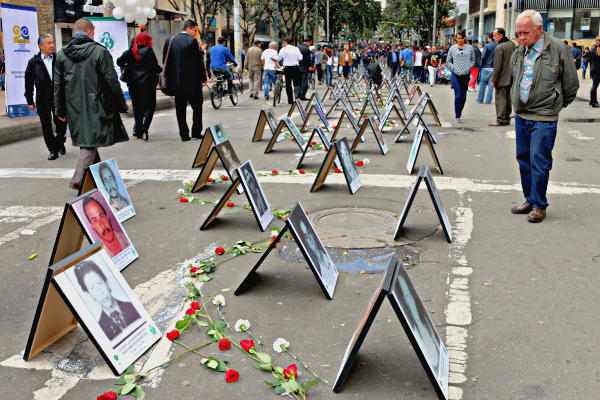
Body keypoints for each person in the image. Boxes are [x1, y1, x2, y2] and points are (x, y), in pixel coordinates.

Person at [509, 10, 578, 223]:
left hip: (545, 116)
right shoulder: (520, 51)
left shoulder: (558, 49)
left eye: (525, 32)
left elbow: (571, 84)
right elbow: (515, 77)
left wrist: (555, 104)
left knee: (539, 160)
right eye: (519, 33)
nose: (521, 37)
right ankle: (530, 199)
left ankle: (539, 204)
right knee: (523, 159)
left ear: (539, 29)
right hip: (522, 114)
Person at [54, 18, 128, 191]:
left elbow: (58, 86)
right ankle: (78, 178)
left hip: (74, 107)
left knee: (89, 141)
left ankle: (104, 183)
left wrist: (60, 110)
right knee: (89, 144)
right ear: (89, 32)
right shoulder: (100, 52)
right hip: (98, 105)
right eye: (93, 32)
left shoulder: (61, 54)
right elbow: (112, 81)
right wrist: (121, 105)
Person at [163, 20, 208, 141]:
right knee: (197, 107)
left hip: (175, 82)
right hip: (192, 82)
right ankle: (196, 132)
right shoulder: (192, 41)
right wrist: (204, 78)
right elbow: (197, 63)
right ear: (189, 28)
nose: (195, 33)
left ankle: (184, 134)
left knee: (180, 108)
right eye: (195, 30)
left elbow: (165, 60)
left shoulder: (169, 40)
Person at [74, 260, 140, 341]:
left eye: (99, 283)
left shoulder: (133, 307)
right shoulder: (100, 329)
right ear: (90, 295)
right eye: (92, 288)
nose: (100, 292)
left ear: (107, 283)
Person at [25, 34, 67, 161]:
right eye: (49, 43)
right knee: (46, 126)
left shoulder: (59, 59)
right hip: (42, 99)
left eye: (53, 42)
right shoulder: (33, 62)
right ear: (41, 46)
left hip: (58, 98)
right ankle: (53, 150)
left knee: (61, 123)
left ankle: (60, 142)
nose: (52, 45)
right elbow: (28, 82)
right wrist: (30, 100)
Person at [117, 32, 161, 141]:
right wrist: (160, 70)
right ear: (147, 41)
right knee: (150, 107)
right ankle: (144, 130)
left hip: (134, 85)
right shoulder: (149, 51)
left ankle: (138, 130)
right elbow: (155, 67)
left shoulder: (130, 51)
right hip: (148, 85)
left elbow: (119, 62)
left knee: (138, 109)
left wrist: (128, 67)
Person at [445, 31, 475, 123]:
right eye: (457, 38)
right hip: (455, 75)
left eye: (461, 38)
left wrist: (468, 67)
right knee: (458, 95)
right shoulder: (452, 48)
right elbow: (448, 61)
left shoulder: (470, 48)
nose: (459, 40)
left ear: (464, 38)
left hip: (465, 75)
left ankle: (460, 111)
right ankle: (457, 115)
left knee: (463, 97)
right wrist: (454, 68)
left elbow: (473, 60)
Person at [490, 27, 515, 126]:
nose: (493, 37)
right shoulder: (512, 45)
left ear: (501, 35)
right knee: (508, 99)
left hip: (502, 78)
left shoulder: (499, 47)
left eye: (495, 35)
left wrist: (494, 80)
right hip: (511, 77)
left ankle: (501, 119)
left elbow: (497, 66)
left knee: (500, 99)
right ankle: (506, 119)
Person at [277, 37, 303, 104]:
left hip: (287, 68)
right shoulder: (296, 49)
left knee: (288, 84)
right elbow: (301, 58)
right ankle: (297, 97)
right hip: (295, 68)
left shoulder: (283, 49)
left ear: (286, 42)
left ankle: (290, 100)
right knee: (297, 83)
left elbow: (279, 58)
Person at [477, 33, 497, 104]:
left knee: (482, 83)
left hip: (486, 67)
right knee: (491, 85)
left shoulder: (487, 46)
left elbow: (483, 57)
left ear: (489, 38)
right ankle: (488, 100)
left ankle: (480, 99)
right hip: (494, 68)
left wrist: (481, 65)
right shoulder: (498, 45)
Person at [589, 36, 600, 107]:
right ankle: (594, 102)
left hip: (593, 69)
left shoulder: (592, 49)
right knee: (594, 86)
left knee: (594, 85)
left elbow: (589, 60)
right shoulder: (598, 49)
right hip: (598, 69)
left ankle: (592, 101)